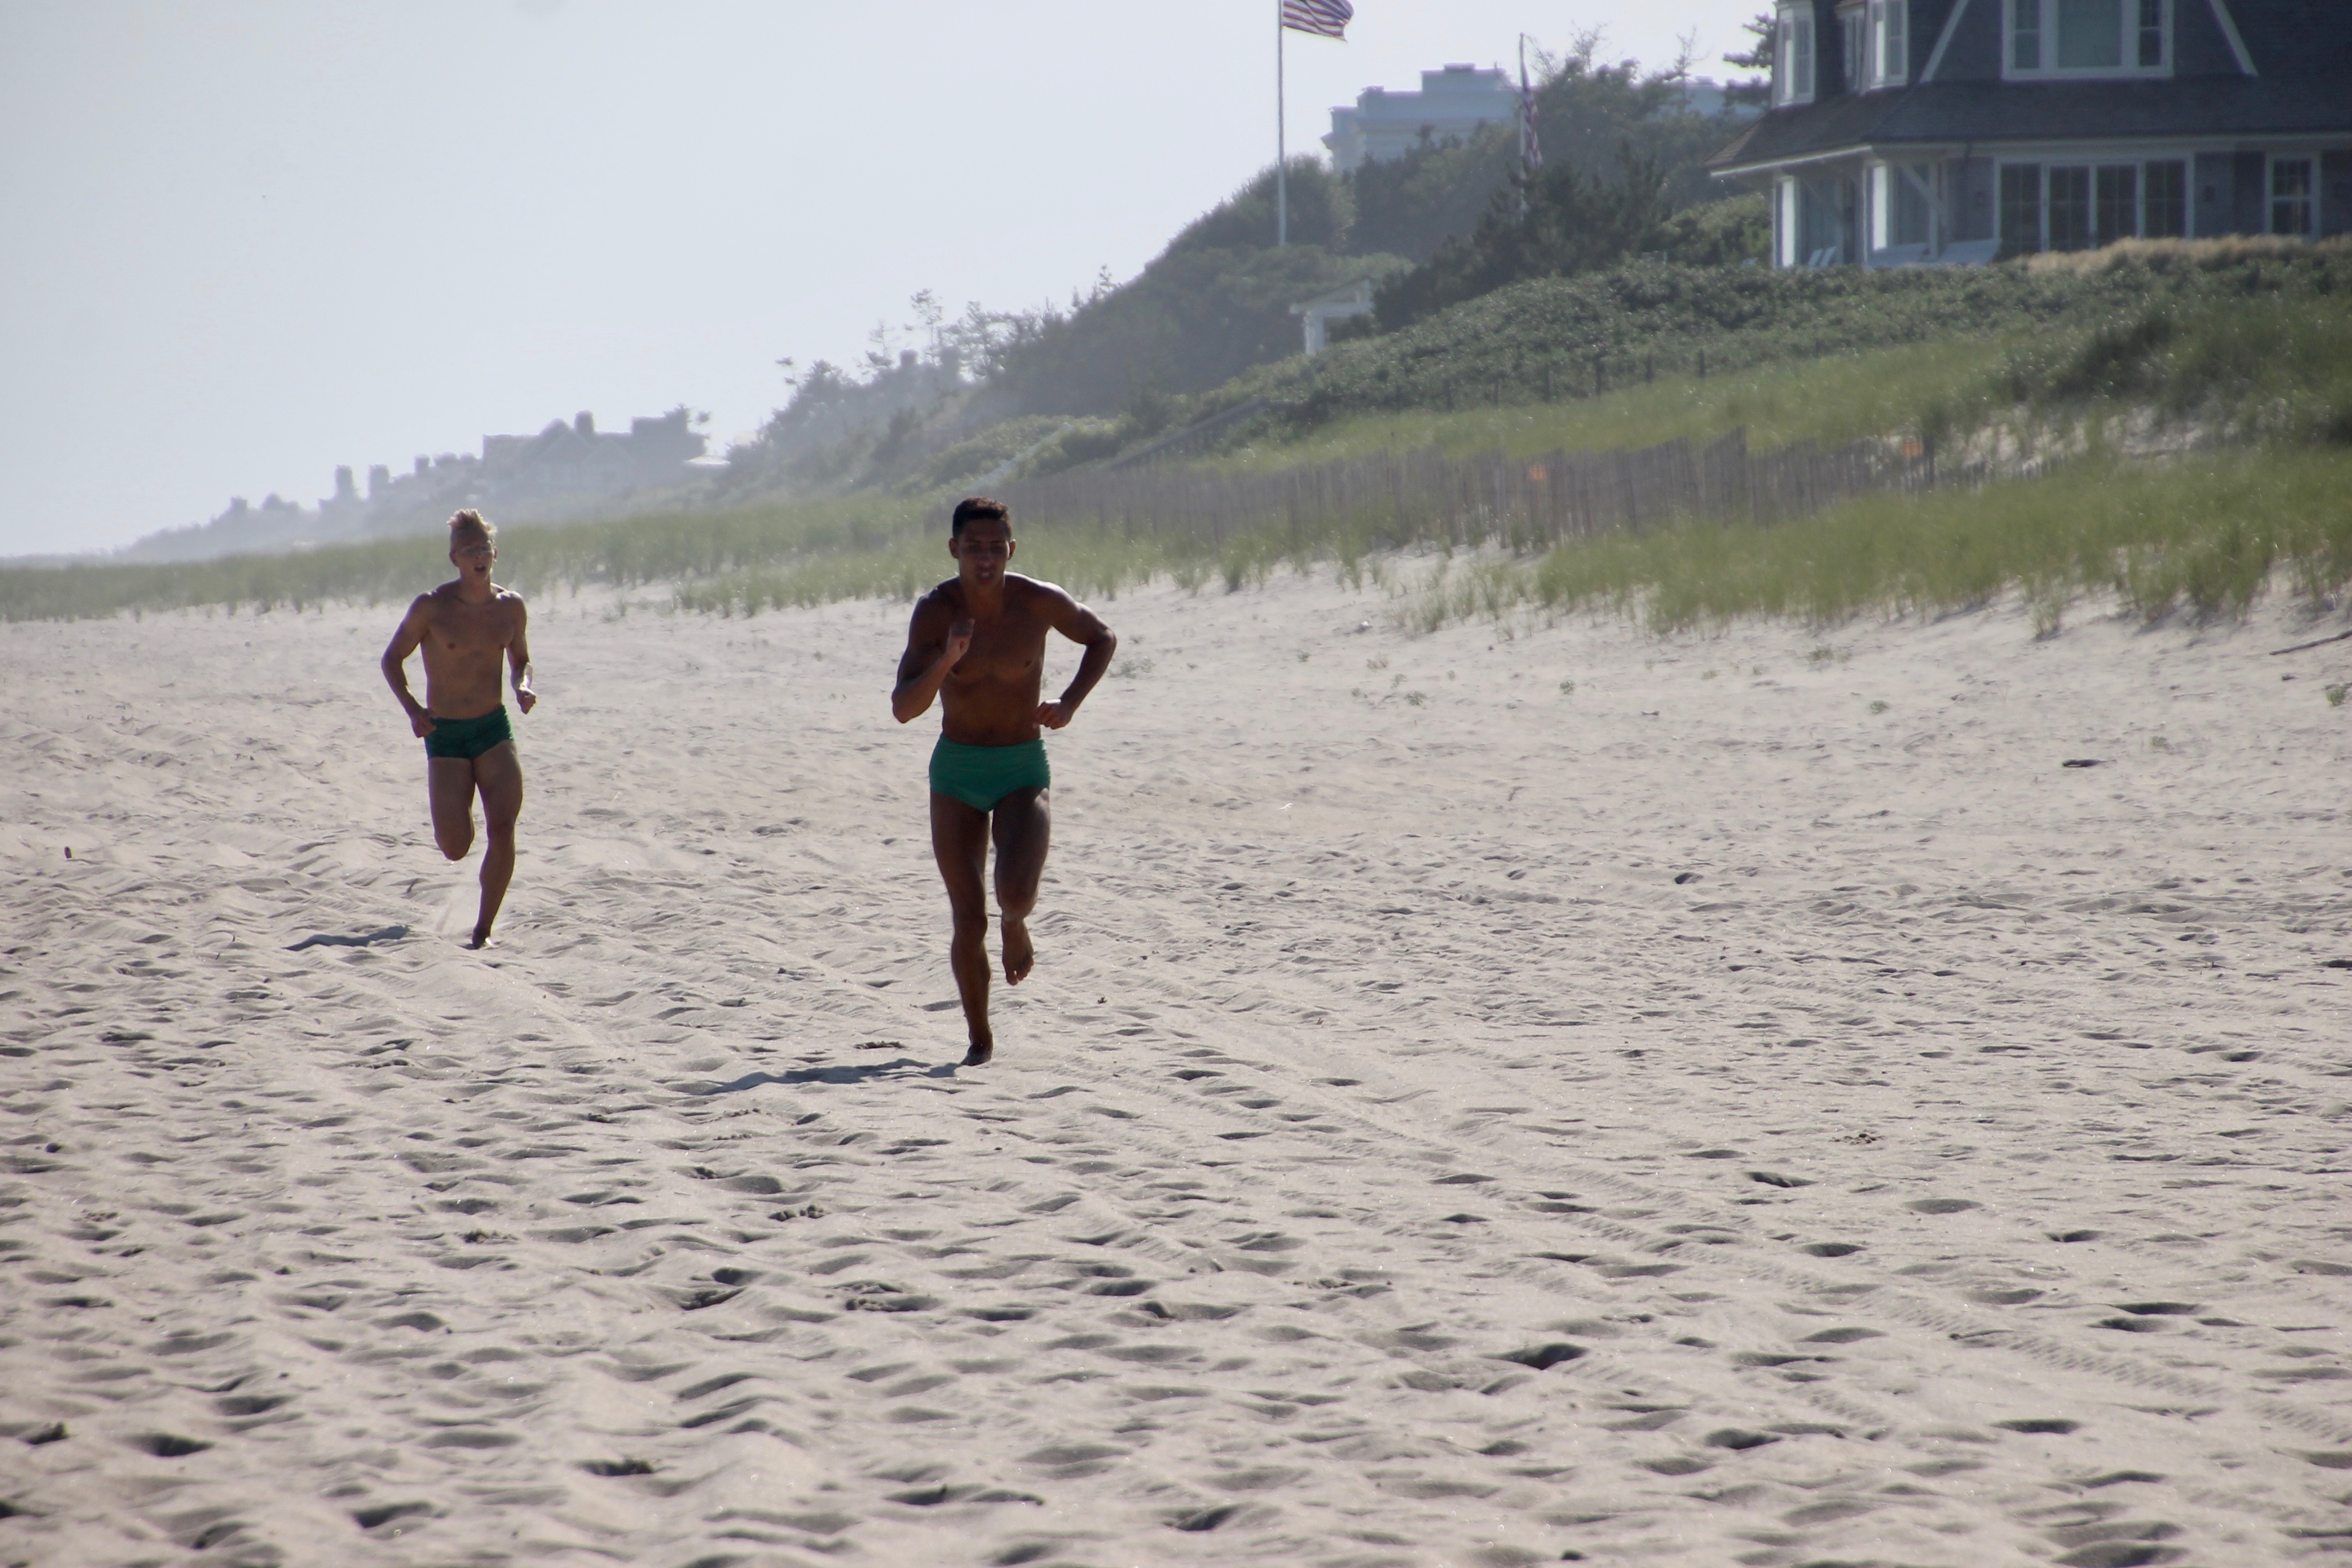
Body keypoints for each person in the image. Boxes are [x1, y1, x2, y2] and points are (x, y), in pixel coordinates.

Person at [892, 497, 1115, 1065]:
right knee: (968, 919)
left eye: (996, 548)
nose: (985, 559)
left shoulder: (1036, 601)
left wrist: (1069, 701)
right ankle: (979, 1040)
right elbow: (903, 708)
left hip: (1020, 766)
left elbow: (1101, 638)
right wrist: (947, 659)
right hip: (957, 772)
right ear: (954, 551)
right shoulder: (936, 612)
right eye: (974, 548)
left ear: (1011, 550)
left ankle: (1017, 924)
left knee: (1014, 892)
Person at [380, 510, 537, 949]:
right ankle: (459, 824)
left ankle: (483, 930)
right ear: (455, 559)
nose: (478, 556)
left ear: (494, 554)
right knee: (454, 846)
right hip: (445, 735)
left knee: (503, 827)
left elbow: (521, 659)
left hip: (493, 729)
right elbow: (392, 659)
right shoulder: (432, 606)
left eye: (483, 548)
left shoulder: (511, 607)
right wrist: (413, 710)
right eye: (468, 550)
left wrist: (524, 686)